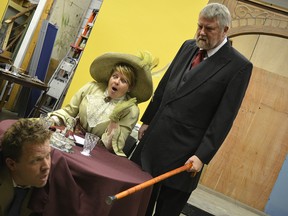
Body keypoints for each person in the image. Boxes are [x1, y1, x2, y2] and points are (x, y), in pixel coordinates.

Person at [130, 3, 253, 216]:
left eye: (209, 29)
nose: (201, 33)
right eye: (199, 26)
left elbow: (224, 118)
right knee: (137, 206)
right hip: (155, 142)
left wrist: (202, 155)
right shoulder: (188, 46)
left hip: (185, 155)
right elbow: (165, 86)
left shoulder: (238, 66)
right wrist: (147, 120)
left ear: (225, 30)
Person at [49, 51, 158, 157]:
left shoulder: (131, 110)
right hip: (70, 140)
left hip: (97, 153)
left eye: (123, 81)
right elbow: (69, 111)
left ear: (130, 88)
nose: (116, 82)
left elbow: (113, 146)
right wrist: (50, 120)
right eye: (115, 76)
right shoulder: (92, 87)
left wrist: (114, 120)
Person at [0, 118, 52, 216]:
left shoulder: (52, 188)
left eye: (48, 155)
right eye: (36, 160)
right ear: (12, 164)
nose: (46, 166)